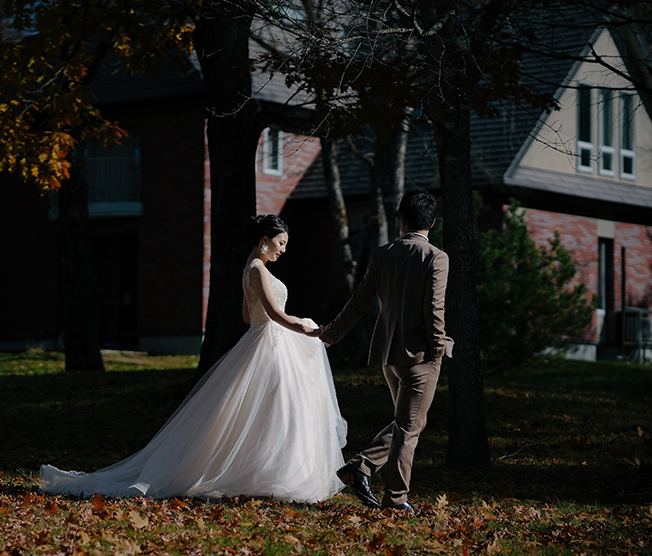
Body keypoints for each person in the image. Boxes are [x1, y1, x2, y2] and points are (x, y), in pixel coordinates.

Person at [40, 214, 347, 502]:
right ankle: (273, 472)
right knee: (277, 407)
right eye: (281, 243)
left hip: (264, 341)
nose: (283, 250)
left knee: (268, 408)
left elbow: (247, 315)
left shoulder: (251, 268)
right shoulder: (257, 269)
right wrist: (310, 330)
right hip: (269, 344)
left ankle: (269, 470)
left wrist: (288, 325)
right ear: (265, 240)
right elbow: (274, 314)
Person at [314, 190, 452, 513]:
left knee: (407, 423)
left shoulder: (382, 254)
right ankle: (395, 498)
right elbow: (434, 308)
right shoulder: (436, 257)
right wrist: (438, 346)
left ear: (402, 220)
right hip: (420, 356)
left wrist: (332, 333)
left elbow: (358, 302)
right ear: (432, 223)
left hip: (388, 356)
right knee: (409, 428)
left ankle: (360, 466)